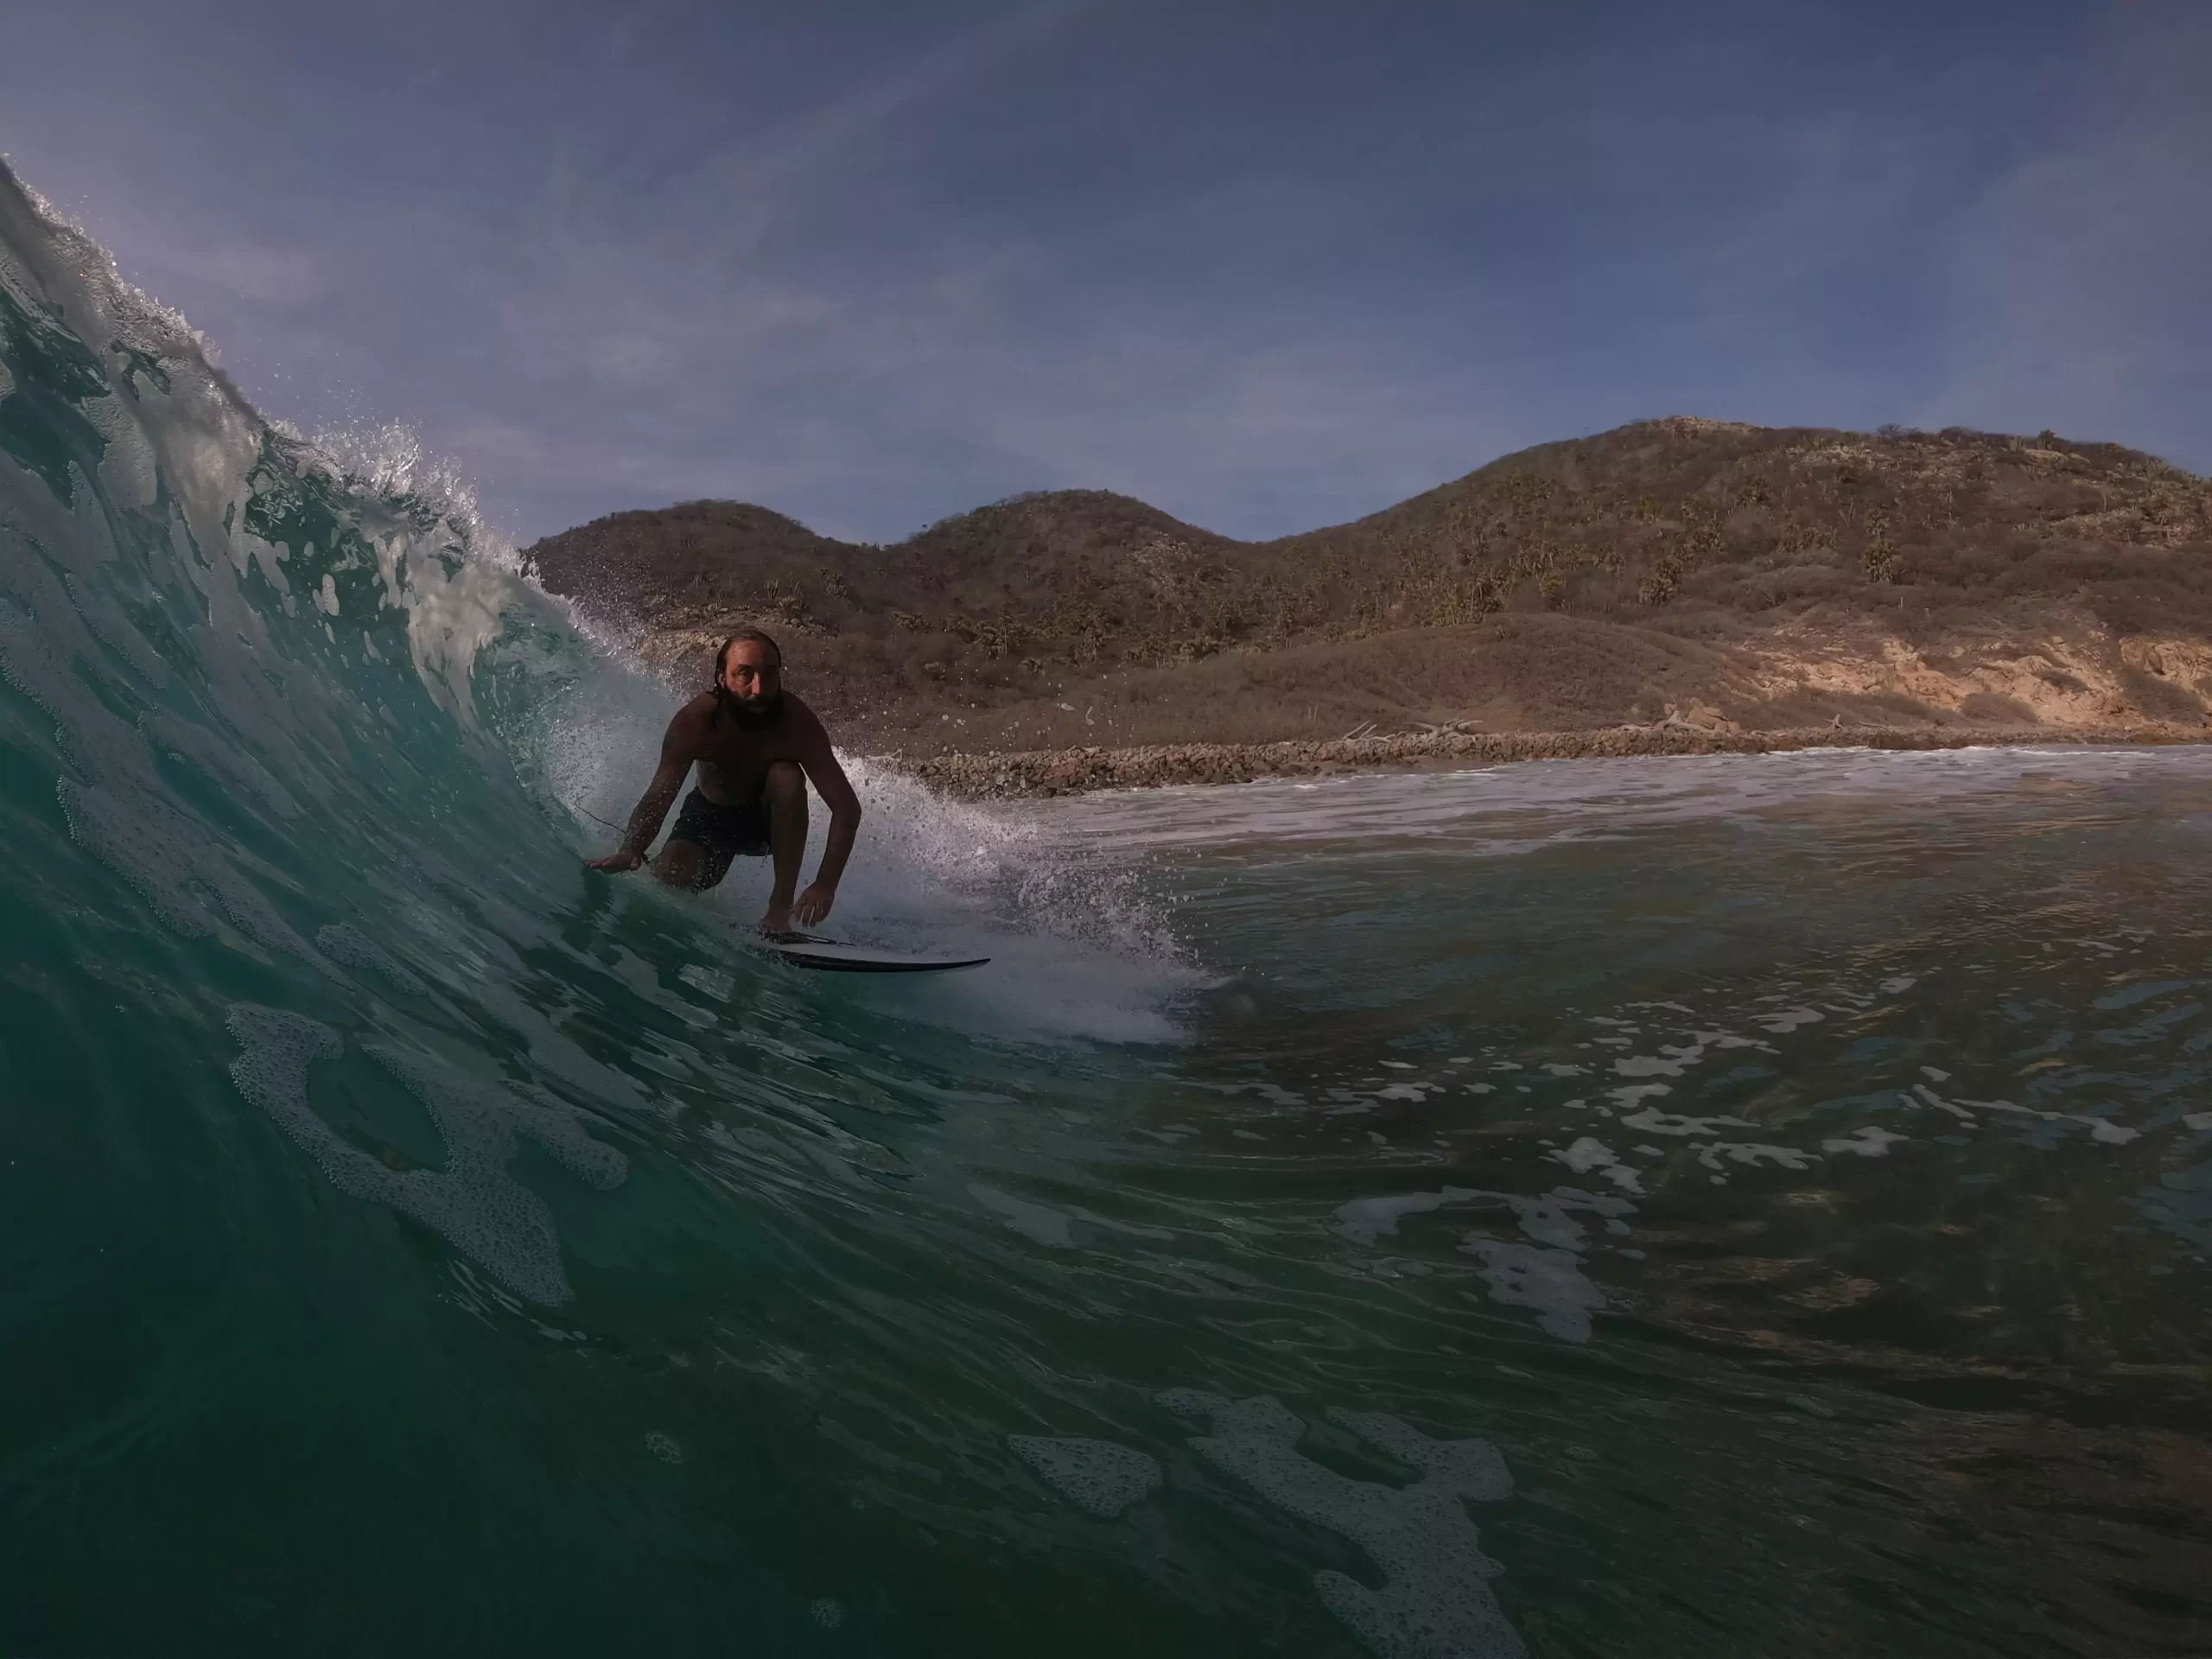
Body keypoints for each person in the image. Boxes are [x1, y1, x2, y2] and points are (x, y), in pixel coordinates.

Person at [585, 627, 862, 935]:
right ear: (721, 678)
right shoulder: (696, 723)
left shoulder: (797, 725)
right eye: (745, 674)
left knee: (787, 775)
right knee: (671, 874)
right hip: (710, 815)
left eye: (769, 674)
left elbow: (846, 808)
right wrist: (631, 848)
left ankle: (779, 910)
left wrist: (825, 885)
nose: (759, 688)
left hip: (769, 822)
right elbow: (660, 794)